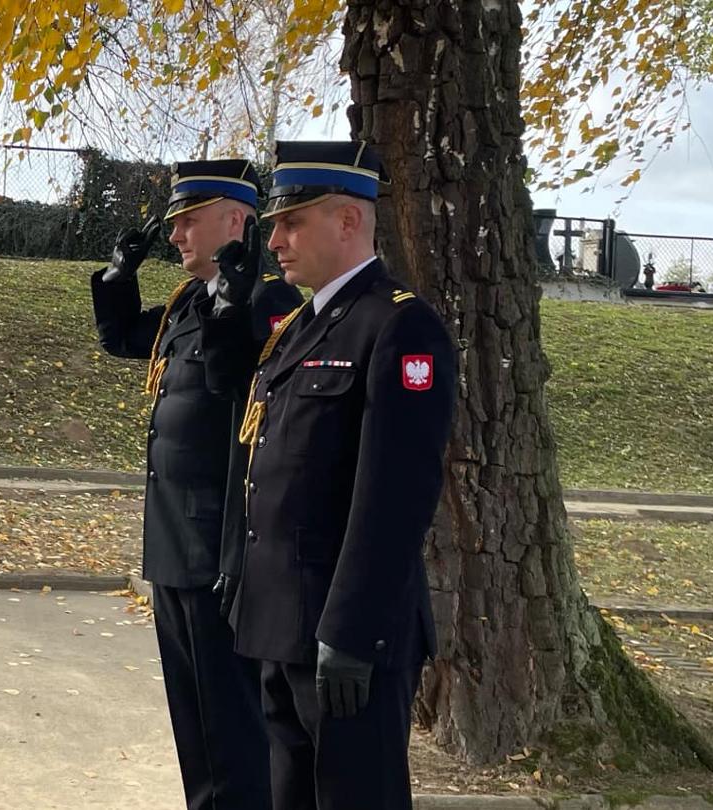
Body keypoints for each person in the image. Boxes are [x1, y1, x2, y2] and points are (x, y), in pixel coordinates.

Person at [206, 140, 457, 809]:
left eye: (293, 222)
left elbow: (396, 497)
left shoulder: (400, 327)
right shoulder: (297, 329)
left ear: (348, 221)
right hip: (282, 624)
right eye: (274, 225)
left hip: (346, 637)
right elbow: (261, 459)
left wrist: (350, 630)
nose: (276, 240)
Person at [91, 159, 300, 810]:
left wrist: (233, 305)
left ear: (235, 221)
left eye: (189, 220)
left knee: (234, 724)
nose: (177, 234)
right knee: (196, 720)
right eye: (175, 222)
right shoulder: (187, 302)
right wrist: (119, 276)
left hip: (222, 548)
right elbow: (125, 337)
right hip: (175, 544)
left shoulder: (271, 303)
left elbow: (233, 380)